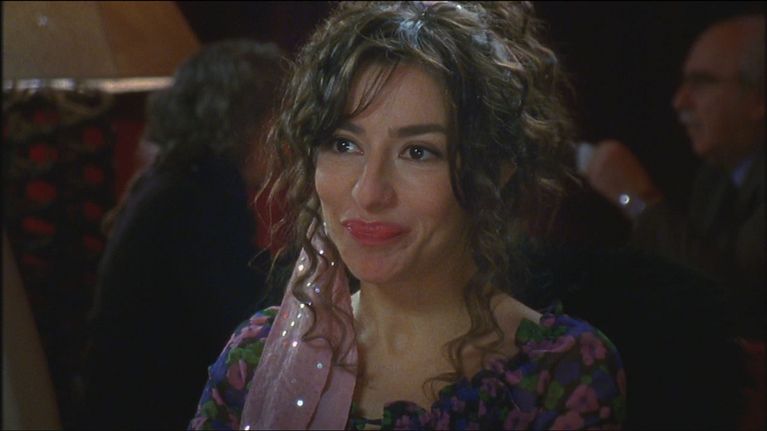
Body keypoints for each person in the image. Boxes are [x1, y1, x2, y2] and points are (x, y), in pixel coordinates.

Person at [189, 3, 625, 430]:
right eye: (344, 144)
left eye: (417, 152)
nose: (368, 192)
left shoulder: (558, 375)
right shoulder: (257, 359)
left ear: (494, 172)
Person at [80, 40, 284, 429]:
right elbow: (243, 321)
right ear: (246, 120)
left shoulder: (173, 181)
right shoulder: (201, 194)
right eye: (278, 119)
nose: (285, 139)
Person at [584, 14, 764, 339]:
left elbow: (735, 309)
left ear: (758, 99)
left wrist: (638, 199)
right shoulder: (714, 177)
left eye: (702, 82)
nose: (680, 101)